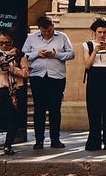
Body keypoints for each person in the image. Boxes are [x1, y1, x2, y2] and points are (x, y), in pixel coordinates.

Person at [22, 14, 74, 150]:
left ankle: (55, 140)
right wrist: (36, 54)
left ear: (53, 27)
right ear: (39, 29)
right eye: (43, 31)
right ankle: (39, 140)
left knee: (55, 109)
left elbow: (71, 54)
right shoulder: (31, 38)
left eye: (49, 31)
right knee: (39, 109)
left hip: (57, 77)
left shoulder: (62, 37)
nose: (46, 33)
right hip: (37, 77)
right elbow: (23, 55)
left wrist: (56, 55)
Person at [82, 18, 106, 151]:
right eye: (99, 32)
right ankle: (94, 142)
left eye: (104, 32)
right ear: (95, 32)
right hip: (94, 78)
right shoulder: (87, 45)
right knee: (94, 111)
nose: (102, 35)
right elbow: (87, 65)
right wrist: (95, 51)